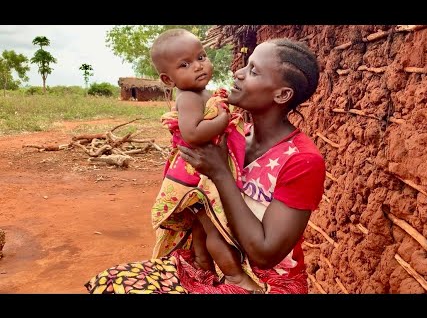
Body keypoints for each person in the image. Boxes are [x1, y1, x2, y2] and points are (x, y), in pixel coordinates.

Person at [85, 37, 326, 294]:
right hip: (217, 267)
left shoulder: (302, 160)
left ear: (282, 94)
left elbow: (264, 254)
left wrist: (219, 172)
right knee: (111, 283)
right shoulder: (235, 135)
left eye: (253, 71)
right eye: (245, 65)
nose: (238, 73)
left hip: (267, 283)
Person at [148, 28, 263, 293]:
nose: (198, 66)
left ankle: (202, 264)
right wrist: (223, 119)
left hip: (194, 172)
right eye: (185, 64)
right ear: (168, 78)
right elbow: (192, 134)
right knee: (214, 229)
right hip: (195, 175)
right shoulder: (188, 97)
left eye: (201, 57)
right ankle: (234, 275)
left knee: (202, 225)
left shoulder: (202, 93)